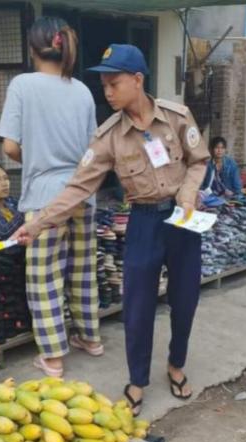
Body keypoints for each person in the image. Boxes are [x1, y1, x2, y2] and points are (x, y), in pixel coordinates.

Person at [12, 44, 209, 416]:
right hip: (144, 223)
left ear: (137, 80)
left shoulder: (177, 117)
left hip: (182, 223)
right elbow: (78, 187)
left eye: (113, 83)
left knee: (184, 301)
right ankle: (137, 381)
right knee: (137, 309)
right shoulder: (108, 138)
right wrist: (38, 223)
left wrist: (187, 194)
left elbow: (199, 161)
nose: (107, 91)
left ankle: (176, 365)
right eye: (103, 84)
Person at [0, 16, 103, 378]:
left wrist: (37, 158)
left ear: (31, 49)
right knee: (82, 269)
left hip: (44, 199)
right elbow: (93, 150)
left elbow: (10, 146)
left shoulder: (23, 85)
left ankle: (54, 357)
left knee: (44, 278)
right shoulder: (83, 91)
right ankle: (90, 338)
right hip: (82, 193)